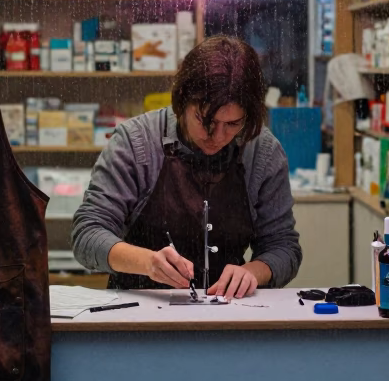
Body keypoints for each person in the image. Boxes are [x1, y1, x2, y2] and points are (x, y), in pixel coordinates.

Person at [71, 35, 301, 298]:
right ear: (182, 101)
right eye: (205, 121)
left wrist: (252, 272)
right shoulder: (136, 143)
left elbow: (283, 246)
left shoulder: (262, 152)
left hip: (228, 310)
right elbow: (87, 233)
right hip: (137, 310)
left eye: (233, 124)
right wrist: (147, 263)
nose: (217, 136)